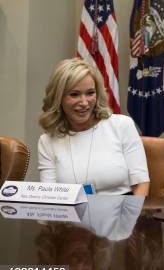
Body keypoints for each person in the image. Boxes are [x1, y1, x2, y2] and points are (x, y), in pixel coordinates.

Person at [38, 58, 149, 195]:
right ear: (58, 98)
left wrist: (131, 216)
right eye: (74, 94)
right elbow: (49, 196)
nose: (84, 102)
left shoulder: (122, 125)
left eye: (90, 93)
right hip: (71, 215)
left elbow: (141, 184)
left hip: (121, 212)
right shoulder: (47, 141)